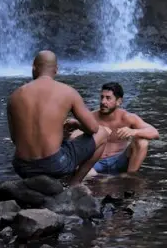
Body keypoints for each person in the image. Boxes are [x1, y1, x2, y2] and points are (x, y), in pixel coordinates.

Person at [7, 50, 111, 184]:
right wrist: (77, 125)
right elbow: (93, 128)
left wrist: (60, 136)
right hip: (54, 165)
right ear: (56, 70)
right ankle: (74, 184)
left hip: (22, 167)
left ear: (33, 67)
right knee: (102, 133)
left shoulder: (15, 96)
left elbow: (15, 139)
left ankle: (33, 184)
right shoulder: (68, 92)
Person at [75, 82, 160, 176]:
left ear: (119, 101)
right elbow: (74, 137)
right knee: (84, 173)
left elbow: (154, 132)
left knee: (142, 142)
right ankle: (99, 179)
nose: (103, 102)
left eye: (108, 98)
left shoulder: (127, 117)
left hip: (119, 160)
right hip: (95, 163)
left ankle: (130, 177)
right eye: (102, 97)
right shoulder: (91, 117)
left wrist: (134, 131)